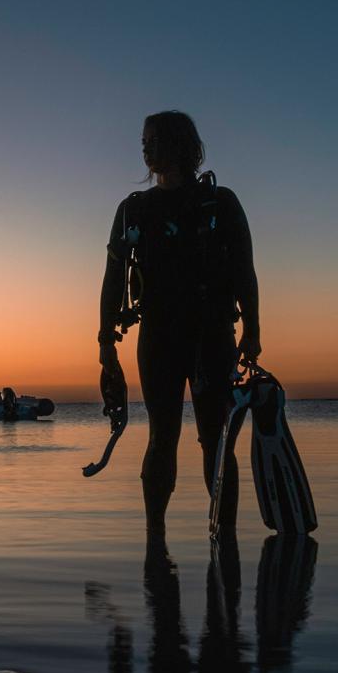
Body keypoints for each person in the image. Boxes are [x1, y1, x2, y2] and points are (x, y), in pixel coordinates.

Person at [99, 111, 260, 531]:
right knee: (161, 436)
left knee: (216, 439)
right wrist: (105, 344)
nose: (145, 148)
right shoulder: (134, 210)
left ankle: (224, 538)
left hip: (213, 336)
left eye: (154, 140)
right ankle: (155, 543)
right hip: (158, 337)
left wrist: (253, 331)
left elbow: (244, 270)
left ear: (181, 145)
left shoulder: (221, 203)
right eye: (143, 141)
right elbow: (113, 278)